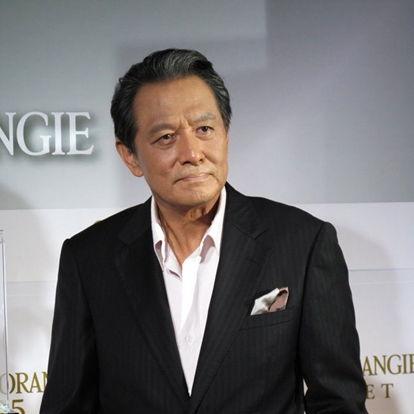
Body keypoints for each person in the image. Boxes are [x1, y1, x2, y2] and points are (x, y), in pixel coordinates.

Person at [40, 48, 368, 413]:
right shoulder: (89, 258)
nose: (192, 153)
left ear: (226, 135)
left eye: (204, 129)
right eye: (166, 137)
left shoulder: (302, 242)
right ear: (130, 156)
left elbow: (338, 401)